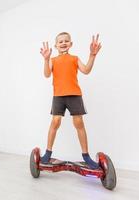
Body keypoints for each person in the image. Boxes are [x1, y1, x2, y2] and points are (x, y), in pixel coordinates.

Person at [39, 32, 102, 169]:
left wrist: (92, 55)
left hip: (74, 95)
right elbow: (46, 74)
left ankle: (86, 156)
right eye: (60, 41)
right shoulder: (53, 60)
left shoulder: (74, 58)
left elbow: (86, 70)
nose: (63, 43)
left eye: (66, 41)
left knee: (79, 122)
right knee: (55, 122)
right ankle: (48, 153)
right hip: (58, 96)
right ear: (56, 46)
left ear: (71, 44)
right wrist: (45, 59)